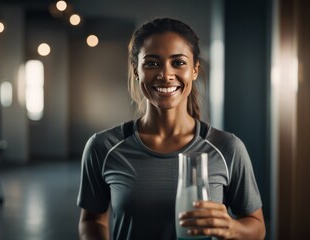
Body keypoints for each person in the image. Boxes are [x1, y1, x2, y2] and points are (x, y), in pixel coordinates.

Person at [77, 17, 266, 240]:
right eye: (152, 63)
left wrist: (232, 228)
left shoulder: (228, 148)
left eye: (178, 63)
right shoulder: (103, 147)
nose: (165, 75)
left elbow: (257, 227)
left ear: (195, 69)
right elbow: (92, 219)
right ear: (136, 70)